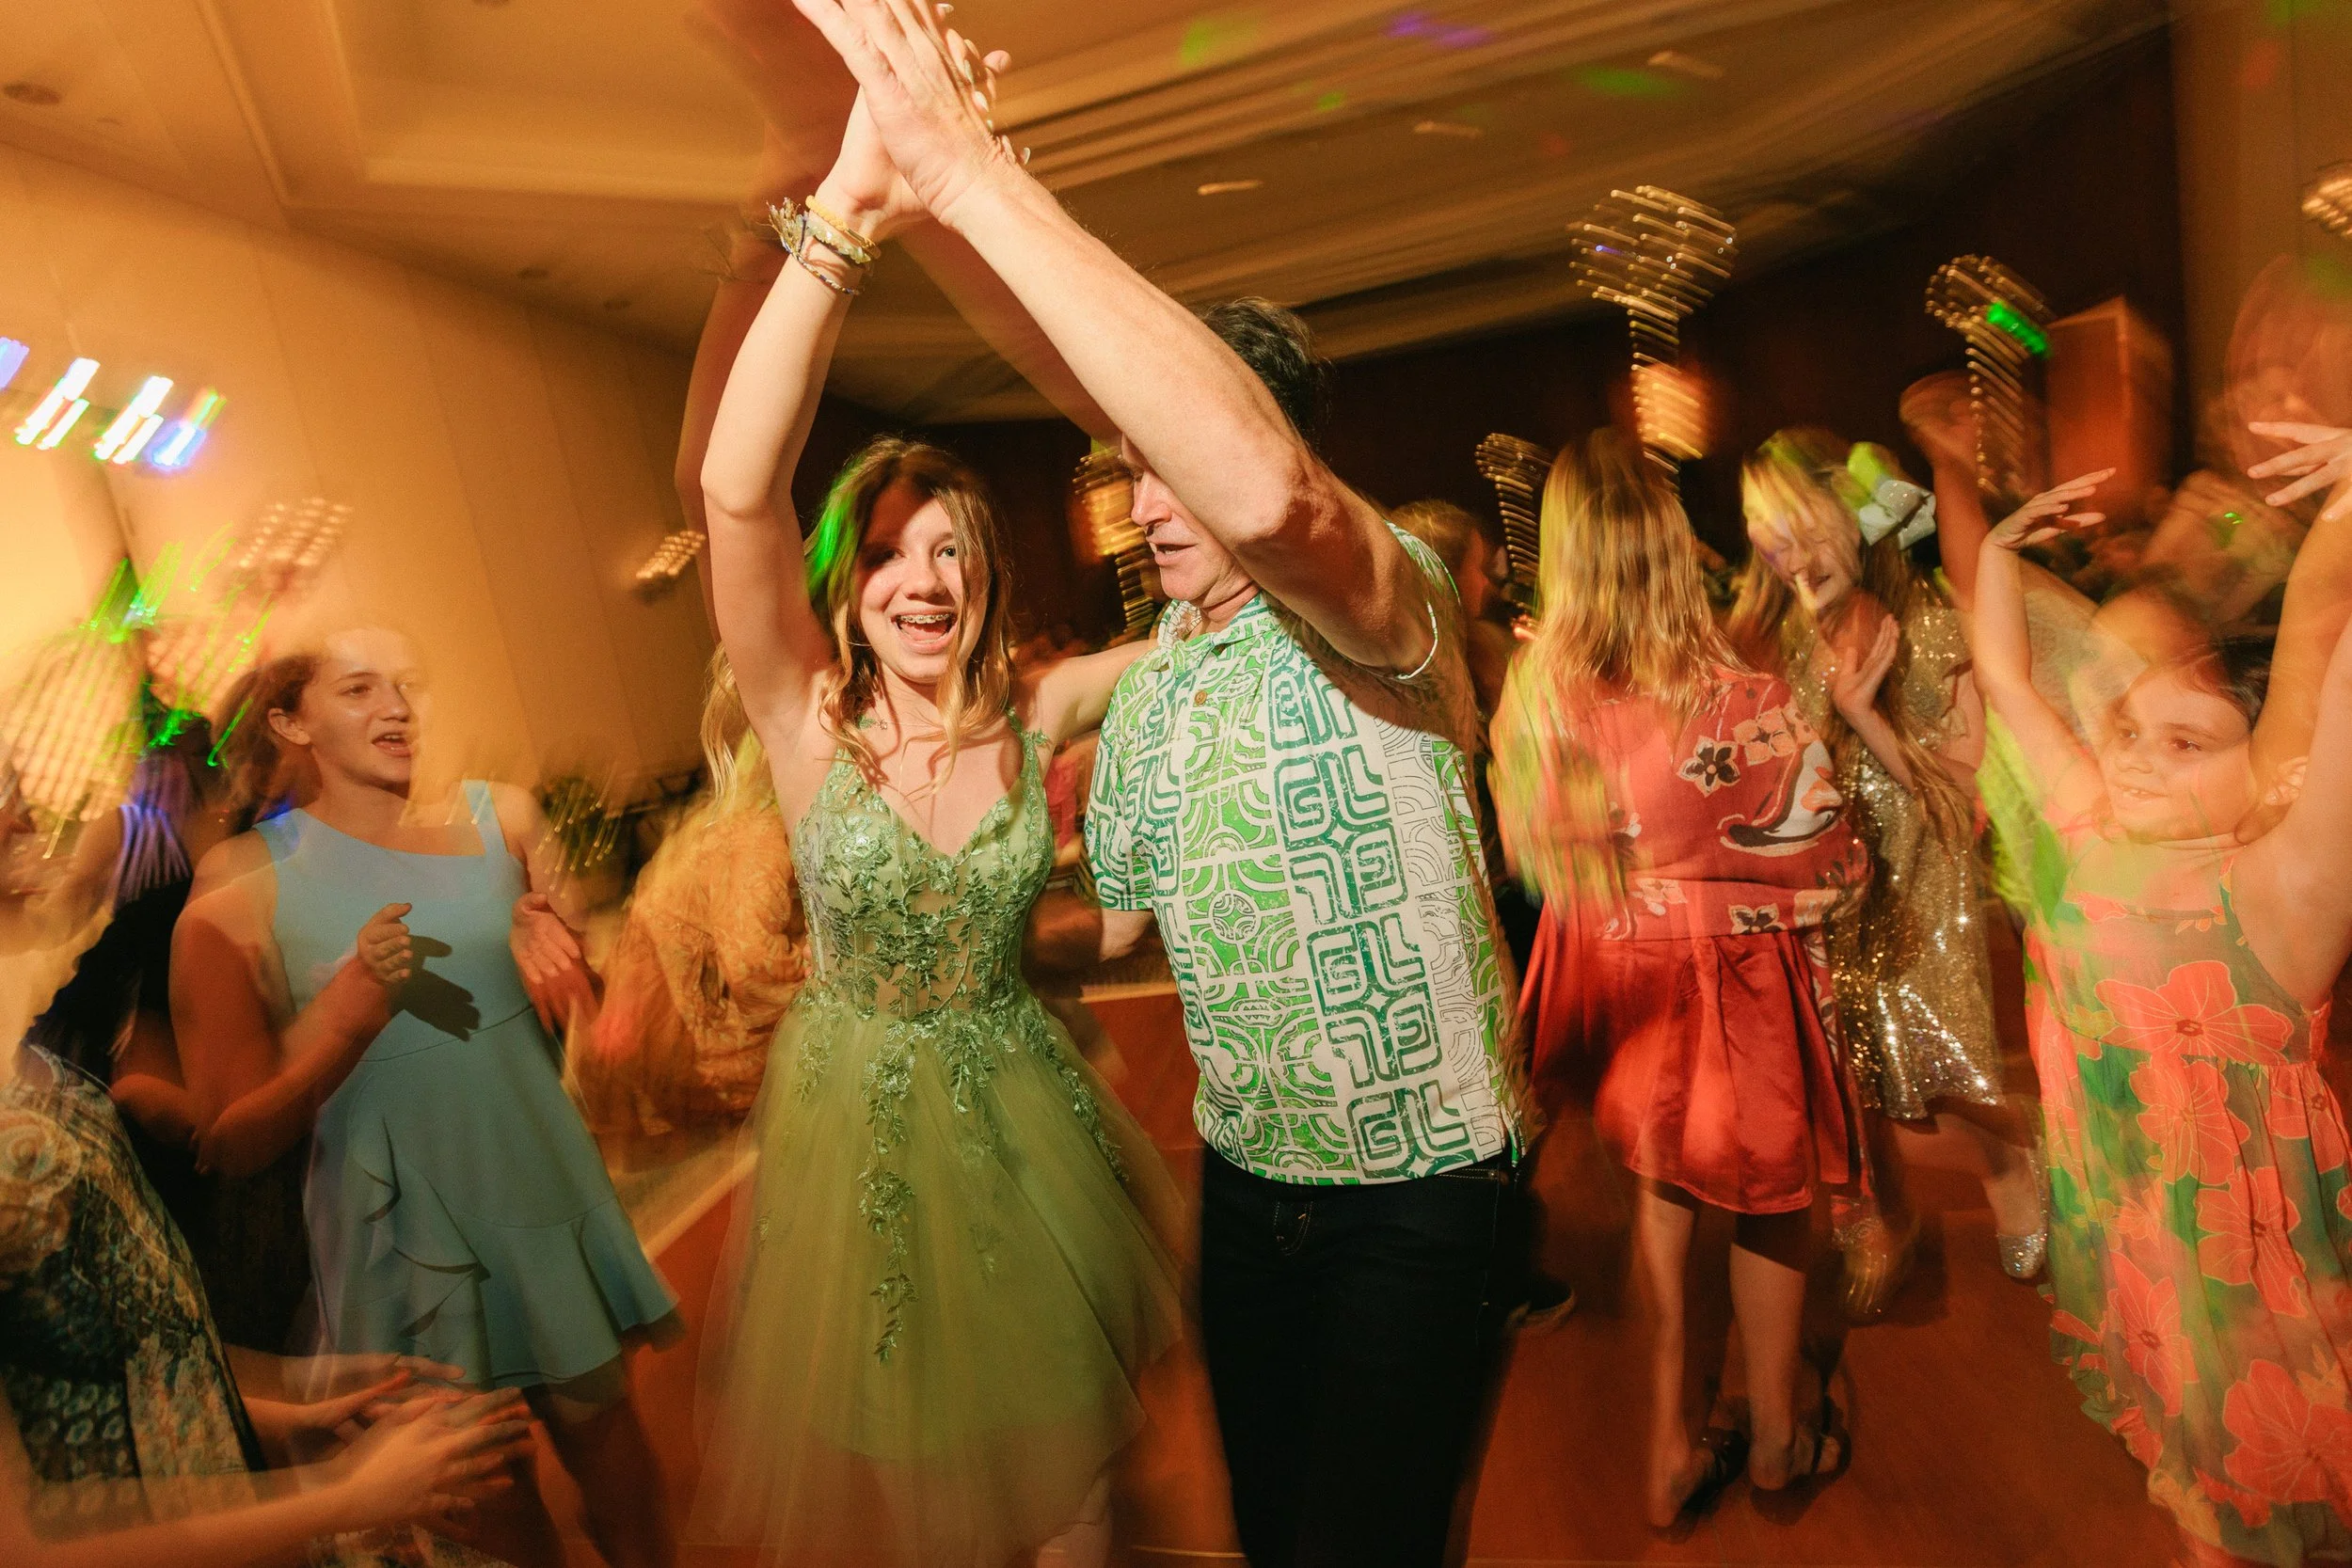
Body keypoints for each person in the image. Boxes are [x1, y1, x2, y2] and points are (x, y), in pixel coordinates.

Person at [784, 8, 1528, 1562]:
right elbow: (1127, 932)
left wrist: (973, 175)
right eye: (1124, 461)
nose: (1140, 498)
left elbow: (1270, 493)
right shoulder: (1161, 694)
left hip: (1421, 1189)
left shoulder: (1383, 608)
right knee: (1271, 1533)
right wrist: (916, 963)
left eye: (1164, 457)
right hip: (1250, 1189)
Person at [683, 62, 1181, 1568]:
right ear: (850, 584)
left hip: (1026, 1119)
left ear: (984, 579)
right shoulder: (804, 724)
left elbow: (1197, 633)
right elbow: (731, 487)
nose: (925, 576)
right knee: (942, 1504)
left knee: (1078, 1483)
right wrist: (839, 217)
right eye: (893, 550)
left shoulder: (1034, 715)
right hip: (866, 1143)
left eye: (952, 548)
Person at [167, 630, 684, 1568]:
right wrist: (344, 1020)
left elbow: (593, 1030)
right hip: (398, 1245)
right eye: (359, 687)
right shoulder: (242, 886)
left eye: (403, 685)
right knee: (493, 1516)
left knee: (627, 1487)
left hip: (538, 1197)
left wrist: (572, 982)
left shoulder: (505, 821)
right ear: (291, 720)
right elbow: (227, 1139)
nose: (396, 706)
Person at [1974, 430, 2352, 1567]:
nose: (2135, 757)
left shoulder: (2280, 891)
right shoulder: (2092, 826)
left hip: (2253, 1284)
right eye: (2128, 730)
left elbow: (2332, 664)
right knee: (2187, 1469)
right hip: (2135, 1238)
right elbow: (2006, 677)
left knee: (2268, 1495)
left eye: (2184, 742)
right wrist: (1994, 552)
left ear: (2270, 768)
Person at [0, 771, 531, 1568]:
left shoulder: (24, 1039)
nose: (25, 809)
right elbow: (24, 1543)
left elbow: (106, 1370)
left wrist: (294, 1404)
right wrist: (348, 1493)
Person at [1494, 430, 1866, 1528]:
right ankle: (1775, 1436)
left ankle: (1664, 1450)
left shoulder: (1537, 690)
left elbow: (1531, 852)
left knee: (1658, 1202)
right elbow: (1834, 862)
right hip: (1741, 982)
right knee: (1769, 1199)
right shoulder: (1740, 696)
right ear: (1670, 546)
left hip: (1618, 975)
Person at [1731, 429, 2045, 1307]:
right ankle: (1886, 1217)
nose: (1776, 550)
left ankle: (2015, 1159)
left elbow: (1958, 800)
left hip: (1919, 880)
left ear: (1850, 514)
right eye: (1761, 530)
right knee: (1851, 1078)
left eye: (1791, 525)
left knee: (1939, 1074)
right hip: (1831, 897)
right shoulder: (1779, 640)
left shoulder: (1933, 624)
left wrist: (1866, 716)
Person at [580, 652, 806, 1140]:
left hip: (674, 1028)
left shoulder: (737, 818)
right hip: (692, 1041)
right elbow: (753, 966)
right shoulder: (761, 833)